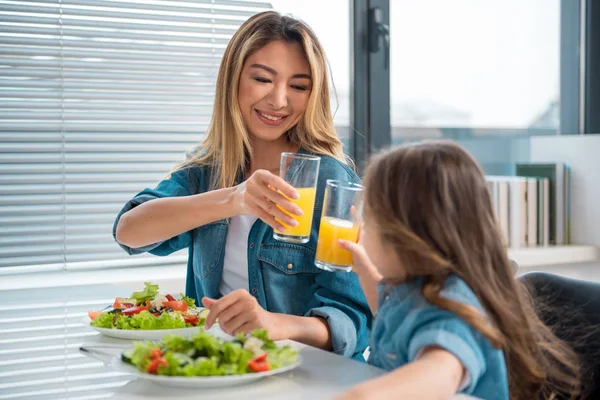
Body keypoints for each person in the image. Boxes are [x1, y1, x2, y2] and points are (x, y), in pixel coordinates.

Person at [113, 11, 370, 360]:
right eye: (263, 79)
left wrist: (274, 325)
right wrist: (234, 198)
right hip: (226, 373)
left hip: (306, 380)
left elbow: (352, 323)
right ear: (233, 80)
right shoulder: (207, 173)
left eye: (298, 86)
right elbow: (129, 231)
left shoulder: (331, 182)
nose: (279, 101)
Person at [335, 141, 580, 399]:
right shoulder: (412, 287)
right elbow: (389, 315)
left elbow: (441, 373)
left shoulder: (453, 307)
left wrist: (359, 397)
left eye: (369, 220)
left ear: (406, 235)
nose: (361, 229)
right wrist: (363, 268)